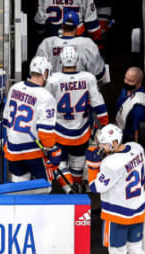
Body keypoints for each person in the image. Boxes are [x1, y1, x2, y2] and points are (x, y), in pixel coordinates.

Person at [87, 124, 145, 254]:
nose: (101, 148)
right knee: (136, 249)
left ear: (115, 142)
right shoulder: (137, 148)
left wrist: (92, 165)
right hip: (138, 208)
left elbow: (95, 187)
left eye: (105, 144)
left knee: (117, 253)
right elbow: (144, 172)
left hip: (118, 213)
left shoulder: (110, 163)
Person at [46, 46, 108, 191]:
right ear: (78, 60)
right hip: (81, 132)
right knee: (77, 165)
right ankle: (77, 189)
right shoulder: (88, 78)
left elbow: (44, 106)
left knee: (60, 164)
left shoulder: (53, 80)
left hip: (59, 131)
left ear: (60, 61)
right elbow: (98, 104)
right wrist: (105, 125)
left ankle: (69, 190)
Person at [2, 55, 60, 183]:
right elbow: (45, 133)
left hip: (13, 149)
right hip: (33, 151)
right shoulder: (46, 97)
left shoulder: (14, 88)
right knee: (44, 186)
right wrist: (53, 150)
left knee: (20, 186)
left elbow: (6, 121)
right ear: (45, 73)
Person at [35, 11, 107, 86]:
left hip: (53, 93)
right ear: (77, 27)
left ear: (62, 25)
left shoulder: (47, 43)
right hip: (80, 93)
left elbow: (37, 74)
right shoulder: (88, 44)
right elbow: (99, 75)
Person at [113, 66, 145, 143]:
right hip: (118, 131)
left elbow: (137, 133)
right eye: (126, 79)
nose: (126, 82)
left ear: (139, 82)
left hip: (128, 139)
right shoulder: (126, 89)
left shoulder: (139, 106)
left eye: (131, 81)